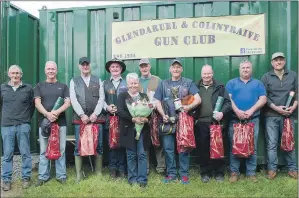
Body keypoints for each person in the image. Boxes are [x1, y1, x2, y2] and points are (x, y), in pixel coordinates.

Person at [154, 59, 201, 184]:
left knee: (183, 148)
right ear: (170, 69)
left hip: (183, 122)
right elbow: (157, 101)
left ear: (181, 69)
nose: (175, 69)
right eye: (173, 67)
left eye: (178, 67)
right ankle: (171, 174)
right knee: (168, 149)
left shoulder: (188, 82)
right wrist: (162, 114)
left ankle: (184, 174)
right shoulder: (163, 84)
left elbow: (198, 99)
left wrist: (188, 107)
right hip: (167, 121)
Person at [226, 60, 266, 183]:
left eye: (248, 67)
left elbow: (263, 99)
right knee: (234, 146)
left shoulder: (258, 83)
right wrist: (237, 111)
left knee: (252, 146)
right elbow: (228, 99)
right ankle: (234, 172)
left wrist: (251, 111)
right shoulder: (231, 83)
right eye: (243, 67)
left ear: (251, 69)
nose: (245, 69)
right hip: (235, 120)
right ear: (239, 69)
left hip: (252, 119)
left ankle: (251, 172)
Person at [261, 52, 298, 180]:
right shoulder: (266, 77)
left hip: (289, 114)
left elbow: (297, 92)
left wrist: (293, 107)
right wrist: (276, 108)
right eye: (276, 60)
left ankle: (293, 169)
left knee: (289, 142)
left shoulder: (293, 75)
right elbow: (264, 96)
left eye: (281, 60)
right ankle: (272, 169)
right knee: (271, 143)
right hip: (271, 115)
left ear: (284, 61)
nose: (278, 62)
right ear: (272, 63)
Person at [34, 61, 71, 186]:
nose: (51, 71)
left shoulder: (63, 86)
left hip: (60, 123)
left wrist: (56, 112)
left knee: (61, 149)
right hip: (44, 123)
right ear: (45, 71)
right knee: (44, 149)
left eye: (53, 69)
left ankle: (61, 175)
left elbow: (67, 103)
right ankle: (43, 176)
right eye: (49, 69)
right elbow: (37, 103)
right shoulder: (39, 86)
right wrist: (47, 114)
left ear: (56, 70)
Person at [193, 64, 231, 183]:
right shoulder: (195, 86)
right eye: (204, 73)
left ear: (212, 74)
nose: (207, 76)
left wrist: (222, 113)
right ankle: (205, 172)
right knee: (203, 149)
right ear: (201, 74)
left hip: (216, 123)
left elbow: (227, 103)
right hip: (201, 123)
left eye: (209, 73)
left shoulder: (220, 86)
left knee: (218, 148)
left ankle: (219, 172)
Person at [69, 57, 105, 182]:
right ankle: (79, 174)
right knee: (79, 146)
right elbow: (73, 99)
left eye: (87, 64)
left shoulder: (98, 80)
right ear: (79, 66)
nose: (85, 66)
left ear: (90, 66)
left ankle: (98, 172)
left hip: (97, 118)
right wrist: (82, 115)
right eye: (82, 64)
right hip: (80, 119)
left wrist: (95, 114)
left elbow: (101, 98)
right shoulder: (74, 81)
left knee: (99, 145)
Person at [0, 65, 35, 191]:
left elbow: (32, 106)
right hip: (7, 126)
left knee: (25, 153)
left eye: (17, 73)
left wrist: (25, 119)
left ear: (21, 74)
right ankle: (6, 180)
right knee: (7, 154)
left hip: (23, 125)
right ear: (8, 74)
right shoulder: (2, 88)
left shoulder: (28, 88)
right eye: (12, 73)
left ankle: (26, 178)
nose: (15, 75)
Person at [117, 72, 151, 188]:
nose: (133, 85)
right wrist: (133, 119)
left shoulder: (144, 96)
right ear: (127, 84)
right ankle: (132, 179)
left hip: (142, 130)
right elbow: (120, 111)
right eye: (131, 83)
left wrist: (146, 119)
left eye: (135, 83)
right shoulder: (122, 95)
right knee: (131, 155)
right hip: (128, 129)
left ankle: (142, 179)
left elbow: (149, 111)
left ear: (138, 83)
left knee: (141, 154)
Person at [138, 58, 166, 175]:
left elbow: (162, 97)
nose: (144, 68)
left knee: (157, 140)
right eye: (142, 66)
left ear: (150, 66)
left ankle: (161, 168)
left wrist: (155, 105)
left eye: (146, 66)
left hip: (155, 115)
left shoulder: (157, 80)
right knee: (144, 142)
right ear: (140, 68)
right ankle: (146, 168)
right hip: (141, 115)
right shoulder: (136, 81)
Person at [102, 58, 128, 179]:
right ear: (109, 69)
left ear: (121, 69)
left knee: (122, 143)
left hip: (123, 119)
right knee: (111, 144)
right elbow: (100, 100)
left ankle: (122, 169)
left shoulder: (127, 83)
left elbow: (131, 99)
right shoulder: (104, 83)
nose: (115, 69)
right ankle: (113, 169)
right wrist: (107, 107)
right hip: (109, 119)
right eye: (113, 67)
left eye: (117, 67)